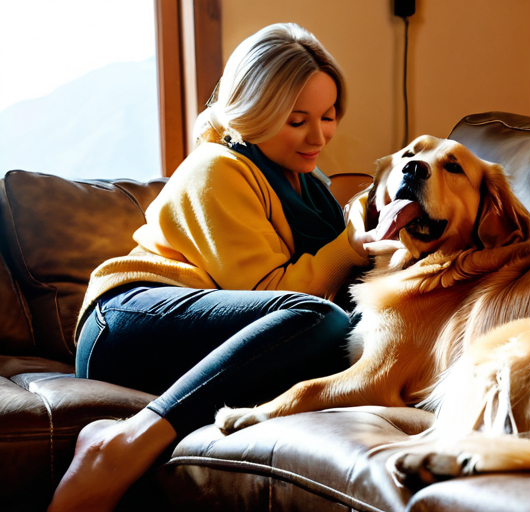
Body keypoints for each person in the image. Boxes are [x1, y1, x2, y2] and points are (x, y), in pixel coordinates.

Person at [48, 23, 374, 512]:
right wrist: (350, 245)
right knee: (318, 320)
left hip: (227, 338)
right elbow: (268, 290)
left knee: (349, 338)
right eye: (296, 119)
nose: (318, 136)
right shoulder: (218, 168)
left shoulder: (312, 185)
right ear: (253, 113)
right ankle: (120, 445)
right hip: (126, 320)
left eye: (328, 116)